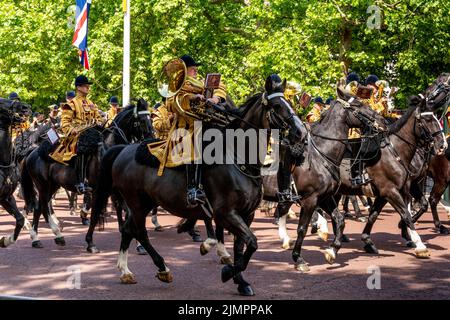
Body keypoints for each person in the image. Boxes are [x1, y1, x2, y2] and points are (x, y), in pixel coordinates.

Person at [149, 54, 227, 207]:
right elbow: (171, 104)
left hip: (205, 122)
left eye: (195, 69)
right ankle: (193, 188)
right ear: (184, 70)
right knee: (194, 145)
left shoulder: (202, 82)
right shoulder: (176, 85)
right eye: (192, 69)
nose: (195, 71)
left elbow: (221, 87)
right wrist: (192, 98)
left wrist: (215, 99)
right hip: (184, 128)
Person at [50, 75, 103, 194]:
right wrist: (72, 130)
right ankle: (80, 182)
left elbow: (98, 118)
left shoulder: (91, 103)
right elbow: (64, 123)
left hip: (92, 132)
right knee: (83, 144)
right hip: (76, 135)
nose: (88, 87)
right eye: (85, 85)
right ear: (78, 87)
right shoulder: (71, 104)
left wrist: (101, 121)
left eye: (88, 86)